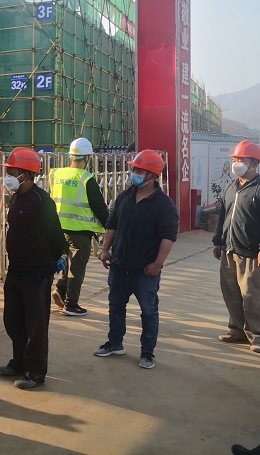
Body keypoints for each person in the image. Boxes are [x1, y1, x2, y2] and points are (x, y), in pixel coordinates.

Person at [94, 149, 178, 369]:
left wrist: (158, 264)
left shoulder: (164, 205)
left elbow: (168, 237)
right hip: (120, 265)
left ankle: (147, 353)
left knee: (148, 311)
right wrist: (105, 250)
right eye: (134, 169)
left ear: (152, 175)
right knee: (116, 307)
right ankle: (115, 343)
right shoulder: (124, 197)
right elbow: (112, 224)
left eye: (139, 171)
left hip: (145, 271)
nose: (134, 174)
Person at [0, 147, 65, 390]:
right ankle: (19, 362)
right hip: (17, 269)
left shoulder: (41, 201)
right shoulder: (16, 197)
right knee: (13, 320)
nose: (8, 176)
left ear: (25, 174)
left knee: (36, 325)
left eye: (12, 172)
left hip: (36, 273)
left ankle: (36, 372)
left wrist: (54, 260)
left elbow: (55, 236)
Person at [212, 140, 260, 354]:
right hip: (230, 250)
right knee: (232, 294)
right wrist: (217, 241)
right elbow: (222, 216)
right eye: (235, 159)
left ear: (254, 164)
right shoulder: (231, 188)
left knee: (254, 297)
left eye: (241, 160)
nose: (236, 163)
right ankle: (237, 331)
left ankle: (258, 336)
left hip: (252, 254)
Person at [49, 137, 108, 316]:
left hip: (58, 228)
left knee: (67, 263)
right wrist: (111, 227)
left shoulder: (56, 174)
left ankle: (60, 290)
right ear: (87, 157)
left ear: (71, 156)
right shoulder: (86, 178)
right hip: (79, 231)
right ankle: (71, 305)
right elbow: (99, 207)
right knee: (76, 267)